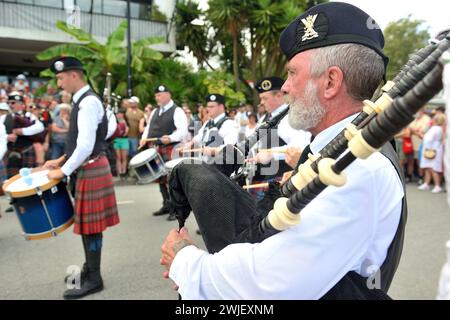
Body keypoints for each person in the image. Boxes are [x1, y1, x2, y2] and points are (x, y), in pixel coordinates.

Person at [161, 2, 406, 299]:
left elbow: (271, 282)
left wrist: (186, 261)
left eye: (292, 74)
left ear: (330, 82)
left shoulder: (358, 168)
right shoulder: (338, 151)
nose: (285, 87)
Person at [44, 57, 120, 299]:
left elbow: (87, 144)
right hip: (91, 166)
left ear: (74, 75)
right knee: (89, 227)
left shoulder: (87, 103)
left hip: (92, 167)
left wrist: (63, 170)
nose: (59, 82)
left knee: (91, 228)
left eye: (60, 77)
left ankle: (94, 277)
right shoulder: (83, 100)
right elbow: (82, 140)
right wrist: (62, 159)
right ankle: (89, 268)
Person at [247, 76, 311, 202]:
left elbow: (301, 146)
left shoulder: (290, 118)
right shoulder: (265, 118)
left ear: (279, 96)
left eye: (265, 98)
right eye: (260, 99)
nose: (261, 102)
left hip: (279, 182)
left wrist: (272, 153)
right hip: (260, 178)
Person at [141, 85, 188, 221]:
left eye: (159, 95)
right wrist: (144, 138)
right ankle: (166, 205)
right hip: (156, 149)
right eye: (156, 95)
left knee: (171, 180)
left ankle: (176, 209)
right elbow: (149, 127)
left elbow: (182, 130)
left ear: (168, 94)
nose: (157, 98)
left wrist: (171, 138)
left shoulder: (177, 110)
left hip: (170, 149)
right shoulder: (156, 111)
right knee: (161, 179)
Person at [113, 108, 130, 180]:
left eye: (120, 114)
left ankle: (124, 171)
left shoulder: (126, 122)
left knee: (124, 157)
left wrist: (124, 128)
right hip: (117, 139)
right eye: (117, 114)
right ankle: (119, 172)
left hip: (124, 139)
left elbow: (126, 131)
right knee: (118, 157)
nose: (118, 115)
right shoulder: (114, 122)